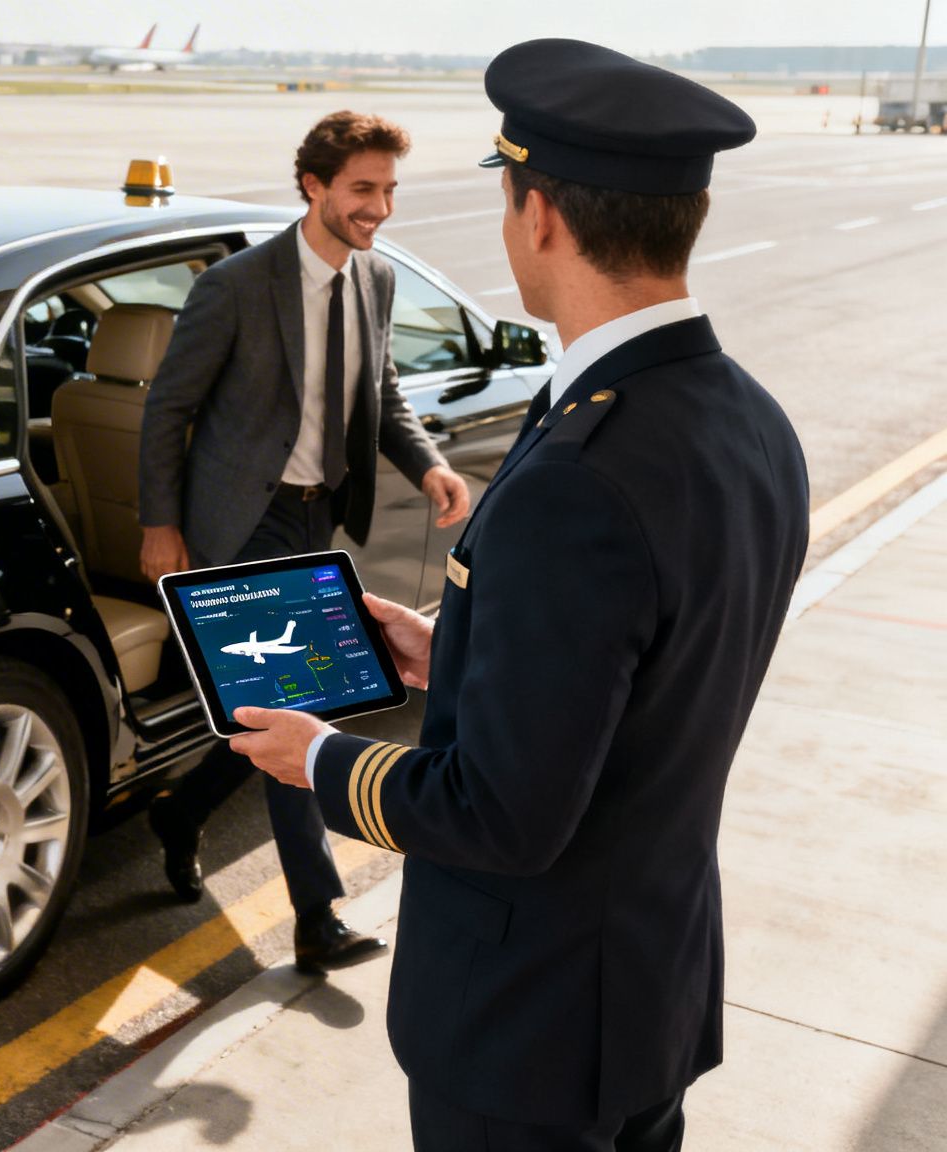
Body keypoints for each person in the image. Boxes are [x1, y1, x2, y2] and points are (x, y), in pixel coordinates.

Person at [228, 40, 810, 1151]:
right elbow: (654, 667)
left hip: (528, 1030)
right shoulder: (744, 419)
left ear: (535, 214)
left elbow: (500, 815)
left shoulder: (582, 474)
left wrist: (316, 759)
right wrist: (460, 650)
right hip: (646, 987)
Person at [136, 110, 471, 974]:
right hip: (241, 520)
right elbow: (168, 408)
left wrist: (427, 463)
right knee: (301, 703)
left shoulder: (376, 281)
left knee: (267, 706)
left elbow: (382, 390)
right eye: (364, 189)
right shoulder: (238, 286)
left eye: (390, 190)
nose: (381, 209)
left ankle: (180, 810)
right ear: (314, 187)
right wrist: (160, 523)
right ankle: (318, 916)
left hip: (317, 516)